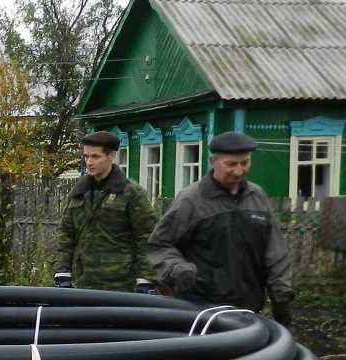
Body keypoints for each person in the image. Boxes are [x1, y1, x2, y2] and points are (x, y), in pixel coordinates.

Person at [147, 131, 294, 325]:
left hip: (248, 308)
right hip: (200, 310)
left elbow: (275, 253)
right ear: (213, 162)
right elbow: (159, 245)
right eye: (231, 164)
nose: (239, 171)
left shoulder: (257, 197)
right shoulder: (192, 200)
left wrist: (281, 295)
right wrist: (177, 268)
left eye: (245, 163)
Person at [53, 131, 158, 293]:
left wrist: (145, 279)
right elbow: (66, 234)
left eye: (95, 157)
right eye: (86, 157)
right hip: (82, 282)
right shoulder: (79, 192)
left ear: (112, 156)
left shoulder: (130, 193)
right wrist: (62, 271)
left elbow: (147, 236)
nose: (89, 162)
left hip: (121, 284)